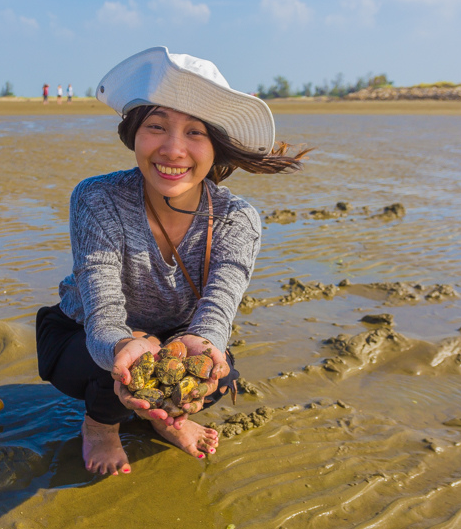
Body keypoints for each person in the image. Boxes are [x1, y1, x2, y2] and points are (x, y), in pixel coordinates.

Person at [36, 46, 307, 475]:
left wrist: (205, 345)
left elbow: (217, 310)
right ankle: (100, 427)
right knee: (114, 365)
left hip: (178, 336)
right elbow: (103, 309)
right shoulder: (97, 198)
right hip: (83, 335)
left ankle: (168, 419)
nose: (173, 149)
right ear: (134, 134)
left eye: (195, 133)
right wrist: (127, 345)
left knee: (217, 372)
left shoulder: (239, 220)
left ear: (216, 147)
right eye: (157, 126)